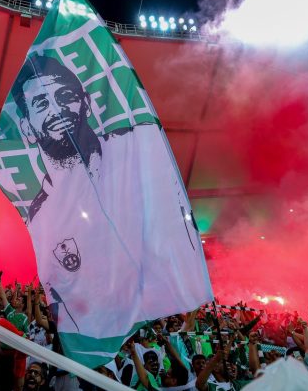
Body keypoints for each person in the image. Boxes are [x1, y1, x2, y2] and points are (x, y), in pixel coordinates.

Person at [11, 55, 206, 345]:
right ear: (26, 128)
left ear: (86, 103)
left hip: (146, 329)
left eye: (65, 96)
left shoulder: (142, 154)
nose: (57, 109)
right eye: (41, 103)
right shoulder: (41, 216)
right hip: (100, 345)